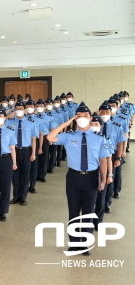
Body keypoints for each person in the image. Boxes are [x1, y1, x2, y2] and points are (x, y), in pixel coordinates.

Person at [47, 102, 109, 256]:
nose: (82, 119)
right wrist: (67, 122)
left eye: (85, 116)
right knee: (74, 212)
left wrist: (103, 179)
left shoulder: (99, 138)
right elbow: (50, 137)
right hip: (73, 177)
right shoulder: (69, 136)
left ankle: (85, 245)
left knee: (88, 212)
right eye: (79, 116)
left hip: (91, 177)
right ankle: (74, 243)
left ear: (91, 118)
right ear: (75, 119)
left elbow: (103, 161)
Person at [7, 101, 37, 206]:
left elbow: (33, 139)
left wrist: (33, 153)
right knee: (15, 175)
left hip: (26, 150)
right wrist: (12, 112)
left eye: (21, 108)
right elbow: (4, 119)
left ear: (24, 109)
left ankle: (23, 196)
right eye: (17, 108)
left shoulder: (31, 122)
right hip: (13, 151)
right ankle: (16, 196)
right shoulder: (9, 122)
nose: (19, 110)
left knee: (25, 174)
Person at [98, 103, 126, 209]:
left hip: (111, 155)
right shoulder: (95, 125)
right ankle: (98, 201)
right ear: (99, 112)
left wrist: (118, 158)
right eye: (102, 112)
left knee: (110, 179)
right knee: (99, 179)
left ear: (111, 113)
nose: (105, 114)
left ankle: (107, 203)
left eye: (107, 112)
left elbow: (120, 143)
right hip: (97, 156)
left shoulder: (116, 126)